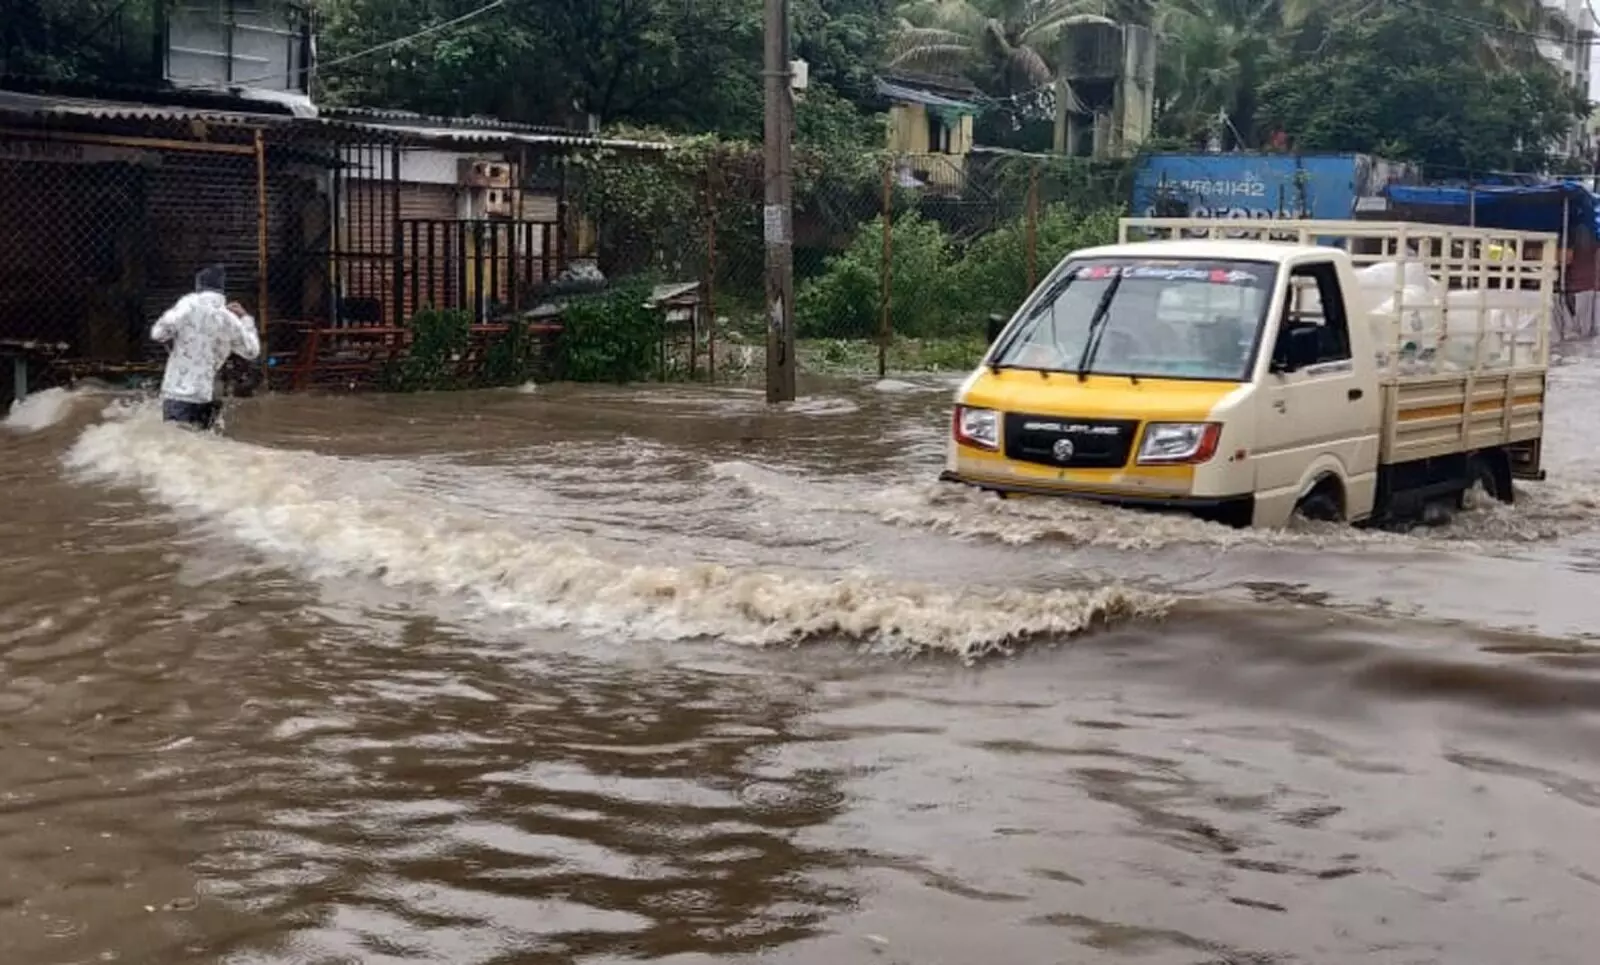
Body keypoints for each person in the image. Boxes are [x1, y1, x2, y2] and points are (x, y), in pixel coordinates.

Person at [150, 266, 261, 431]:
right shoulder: (229, 319)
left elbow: (158, 333)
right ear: (222, 291)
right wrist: (245, 318)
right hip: (207, 396)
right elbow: (252, 351)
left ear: (198, 286)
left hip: (178, 395)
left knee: (175, 447)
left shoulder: (188, 305)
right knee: (202, 442)